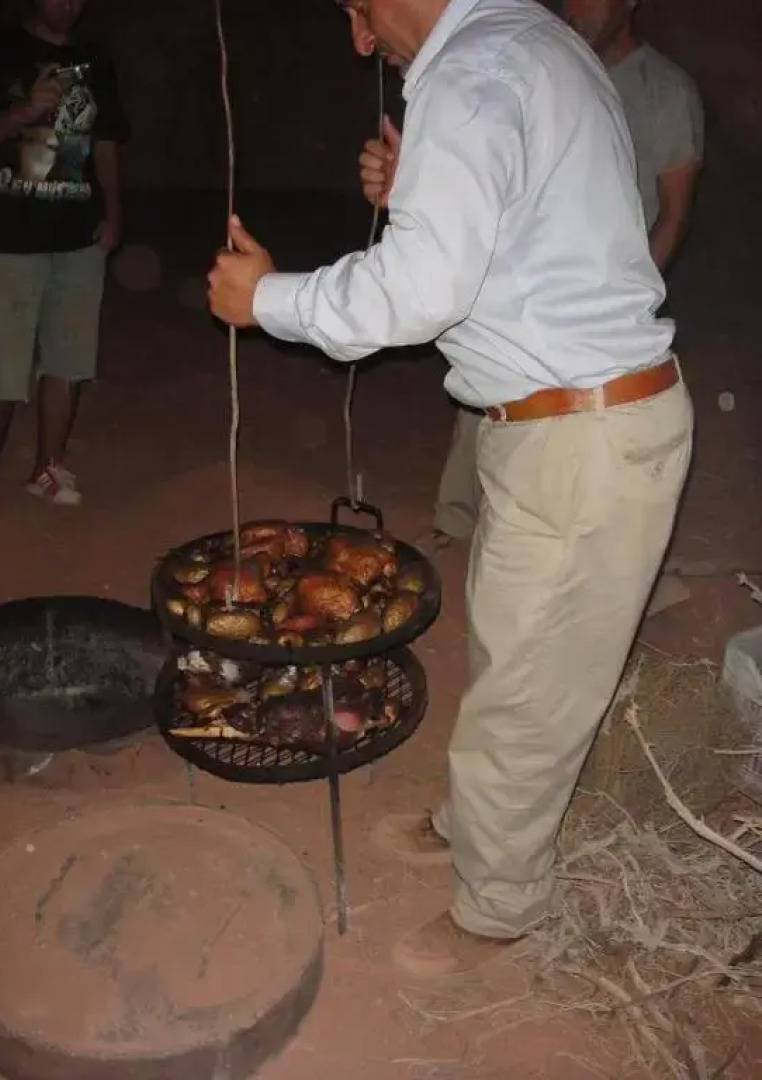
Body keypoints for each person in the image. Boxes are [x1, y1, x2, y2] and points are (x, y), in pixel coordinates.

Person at [207, 0, 694, 979]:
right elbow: (559, 216)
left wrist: (264, 298)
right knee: (511, 648)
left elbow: (420, 294)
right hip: (567, 422)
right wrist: (425, 180)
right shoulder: (528, 40)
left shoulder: (474, 72)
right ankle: (473, 823)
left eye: (354, 9)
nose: (357, 37)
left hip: (582, 432)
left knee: (530, 687)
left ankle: (501, 911)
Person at [402, 0, 703, 551]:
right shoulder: (545, 63)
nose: (573, 4)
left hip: (596, 295)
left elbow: (675, 210)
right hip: (520, 288)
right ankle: (463, 522)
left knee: (575, 443)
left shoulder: (665, 90)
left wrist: (625, 296)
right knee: (489, 406)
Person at [0, 0, 128, 518]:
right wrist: (21, 113)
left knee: (68, 363)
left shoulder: (96, 60)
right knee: (1, 373)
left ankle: (48, 466)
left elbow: (107, 144)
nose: (68, 4)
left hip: (79, 236)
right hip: (8, 236)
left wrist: (115, 212)